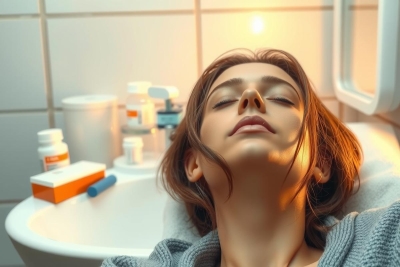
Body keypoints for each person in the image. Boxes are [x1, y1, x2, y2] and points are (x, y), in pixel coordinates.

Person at [102, 49, 400, 267]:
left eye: (281, 98)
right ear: (194, 164)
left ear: (320, 161)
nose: (251, 98)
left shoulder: (386, 239)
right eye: (225, 101)